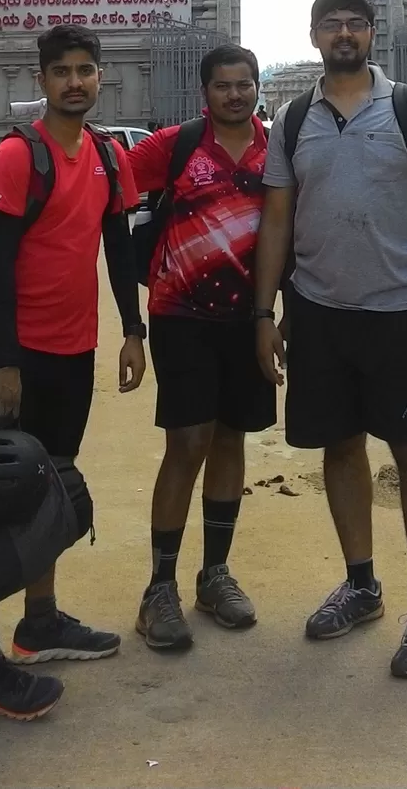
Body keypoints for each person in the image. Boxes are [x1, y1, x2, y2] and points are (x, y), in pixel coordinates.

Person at [256, 0, 407, 680]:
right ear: (315, 34)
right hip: (318, 311)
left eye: (355, 24)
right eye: (331, 24)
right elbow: (279, 222)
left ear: (371, 33)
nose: (343, 34)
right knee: (341, 448)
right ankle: (361, 584)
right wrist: (266, 314)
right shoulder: (291, 120)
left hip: (401, 308)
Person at [0, 25, 145, 721]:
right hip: (15, 355)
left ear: (101, 79)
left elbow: (119, 250)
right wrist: (4, 362)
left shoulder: (106, 155)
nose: (75, 82)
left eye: (86, 70)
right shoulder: (17, 157)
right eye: (62, 71)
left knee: (50, 487)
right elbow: (0, 269)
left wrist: (132, 330)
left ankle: (39, 621)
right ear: (41, 81)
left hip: (74, 351)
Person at [126, 45, 274, 651]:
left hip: (248, 318)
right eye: (222, 86)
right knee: (188, 442)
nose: (234, 95)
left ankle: (214, 574)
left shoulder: (280, 146)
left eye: (244, 85)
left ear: (257, 88)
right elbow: (106, 187)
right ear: (204, 92)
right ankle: (159, 586)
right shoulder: (174, 145)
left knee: (233, 437)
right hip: (179, 315)